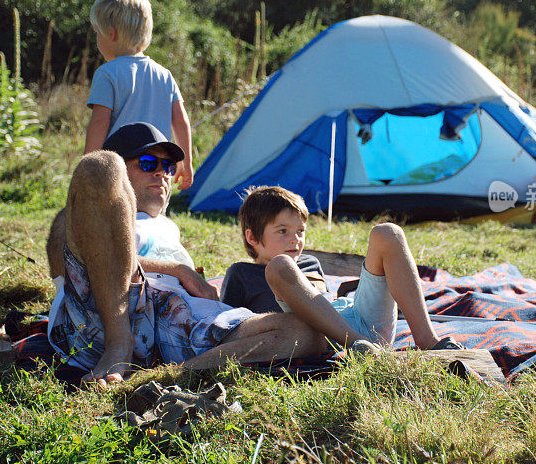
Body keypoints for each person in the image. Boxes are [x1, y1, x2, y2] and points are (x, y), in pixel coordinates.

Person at [46, 124, 326, 388]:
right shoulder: (85, 220)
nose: (162, 173)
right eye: (147, 164)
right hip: (115, 311)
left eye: (168, 166)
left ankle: (171, 377)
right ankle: (120, 344)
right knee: (99, 165)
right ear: (121, 178)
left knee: (305, 332)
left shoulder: (167, 227)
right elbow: (69, 261)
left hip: (180, 322)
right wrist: (179, 269)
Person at [221, 186, 464, 351]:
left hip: (357, 321)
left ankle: (428, 340)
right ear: (252, 238)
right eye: (282, 231)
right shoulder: (241, 274)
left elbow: (324, 303)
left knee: (388, 232)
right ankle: (361, 348)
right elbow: (229, 329)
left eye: (300, 231)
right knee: (280, 266)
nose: (295, 240)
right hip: (320, 338)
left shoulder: (310, 263)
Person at [83, 0, 193, 190]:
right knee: (151, 218)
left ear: (111, 34)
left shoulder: (107, 73)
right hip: (159, 171)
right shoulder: (164, 75)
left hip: (122, 171)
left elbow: (99, 122)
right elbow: (181, 121)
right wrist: (186, 163)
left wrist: (88, 165)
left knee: (119, 220)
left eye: (98, 32)